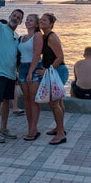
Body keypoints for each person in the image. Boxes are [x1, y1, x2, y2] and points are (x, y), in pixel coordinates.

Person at [0, 0, 24, 143]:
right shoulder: (0, 28)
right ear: (9, 16)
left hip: (10, 75)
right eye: (14, 15)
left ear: (20, 22)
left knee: (6, 103)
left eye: (18, 18)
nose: (15, 18)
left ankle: (3, 129)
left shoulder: (16, 37)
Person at [37, 13, 68, 145]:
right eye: (41, 19)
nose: (41, 21)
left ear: (51, 24)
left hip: (57, 71)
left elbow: (60, 57)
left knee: (54, 103)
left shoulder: (52, 37)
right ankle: (59, 128)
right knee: (57, 102)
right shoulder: (44, 36)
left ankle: (61, 134)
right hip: (54, 71)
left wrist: (48, 71)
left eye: (45, 20)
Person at [18, 14, 44, 141]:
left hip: (33, 68)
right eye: (27, 20)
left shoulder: (37, 36)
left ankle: (34, 129)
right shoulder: (22, 37)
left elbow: (37, 54)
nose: (28, 22)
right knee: (27, 99)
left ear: (36, 24)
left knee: (33, 100)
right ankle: (30, 127)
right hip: (22, 68)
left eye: (31, 20)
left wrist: (30, 72)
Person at [0, 32, 24, 115]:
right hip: (4, 70)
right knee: (5, 96)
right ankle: (14, 108)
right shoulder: (12, 37)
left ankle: (0, 111)